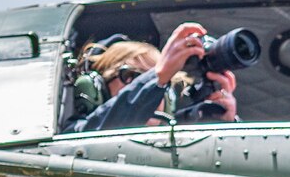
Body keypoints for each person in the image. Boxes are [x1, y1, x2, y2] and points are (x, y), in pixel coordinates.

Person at [64, 22, 239, 132]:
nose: (156, 90)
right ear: (98, 89)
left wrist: (225, 124)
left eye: (165, 83)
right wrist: (158, 75)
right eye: (132, 75)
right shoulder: (72, 139)